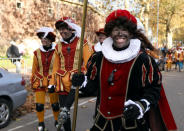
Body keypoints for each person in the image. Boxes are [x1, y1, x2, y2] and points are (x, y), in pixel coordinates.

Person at [72, 9, 177, 131]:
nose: (120, 33)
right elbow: (93, 87)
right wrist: (82, 82)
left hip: (132, 125)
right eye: (116, 29)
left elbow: (153, 89)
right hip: (101, 124)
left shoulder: (143, 60)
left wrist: (141, 105)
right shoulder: (98, 58)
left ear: (131, 33)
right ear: (110, 33)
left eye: (124, 29)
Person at [49, 17, 92, 131]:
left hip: (76, 80)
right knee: (64, 110)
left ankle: (64, 111)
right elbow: (56, 66)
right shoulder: (58, 46)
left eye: (65, 29)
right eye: (60, 30)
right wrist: (52, 83)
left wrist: (86, 77)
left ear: (71, 29)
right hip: (61, 81)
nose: (62, 32)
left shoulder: (82, 42)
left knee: (64, 110)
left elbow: (89, 63)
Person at [30, 27, 60, 131]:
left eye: (45, 38)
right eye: (42, 38)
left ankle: (57, 121)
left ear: (50, 39)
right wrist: (32, 81)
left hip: (53, 81)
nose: (43, 40)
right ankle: (41, 123)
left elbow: (60, 66)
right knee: (39, 105)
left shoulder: (57, 51)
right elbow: (34, 69)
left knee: (55, 104)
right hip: (40, 81)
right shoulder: (36, 53)